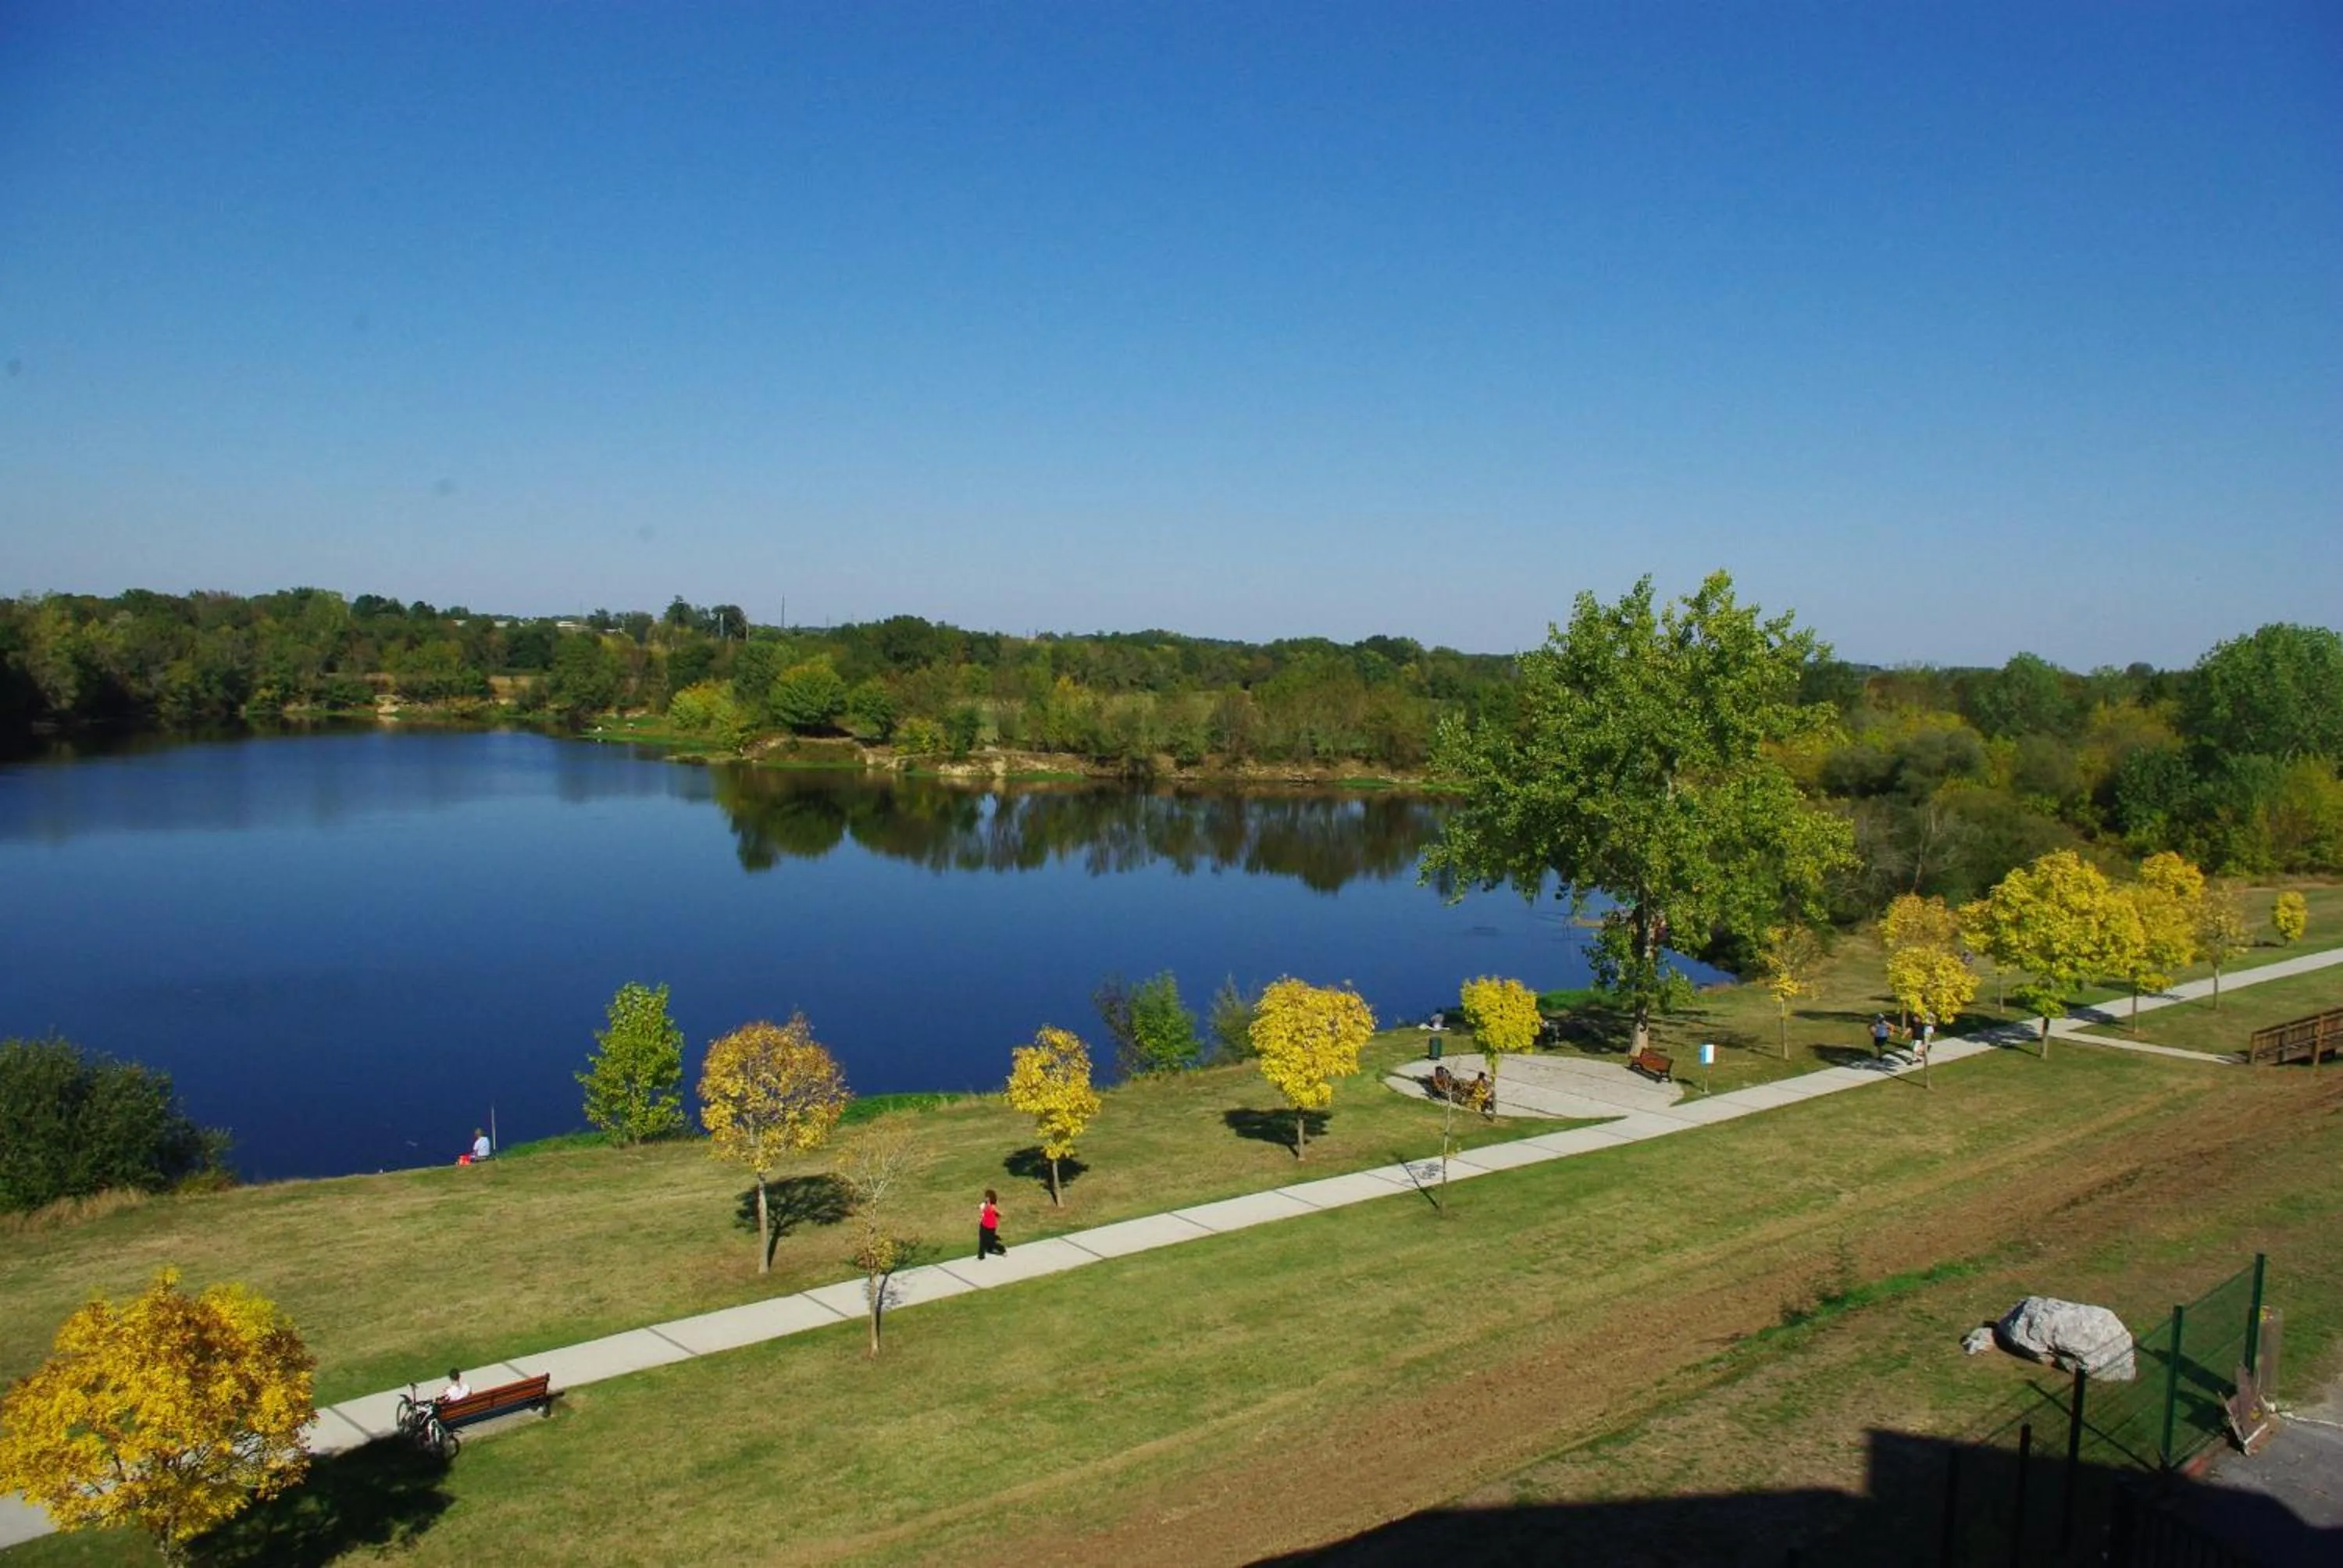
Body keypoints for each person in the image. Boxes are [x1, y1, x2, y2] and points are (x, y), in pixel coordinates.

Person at [977, 1188, 1007, 1259]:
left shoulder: (992, 1207)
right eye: (985, 1197)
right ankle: (981, 1256)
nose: (986, 1198)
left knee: (990, 1242)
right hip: (983, 1225)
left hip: (991, 1227)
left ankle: (1002, 1248)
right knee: (982, 1240)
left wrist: (998, 1214)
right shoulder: (984, 1205)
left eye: (987, 1197)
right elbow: (982, 1211)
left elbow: (1000, 1214)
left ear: (990, 1198)